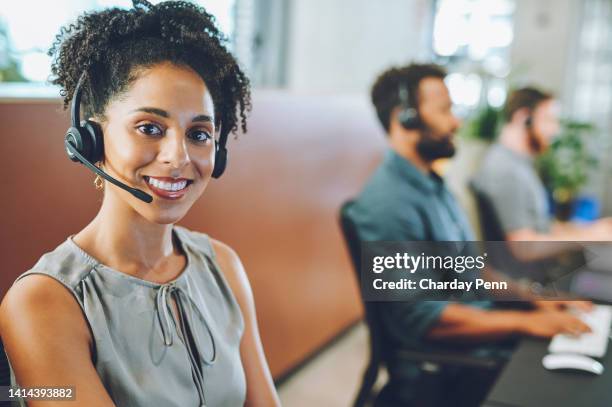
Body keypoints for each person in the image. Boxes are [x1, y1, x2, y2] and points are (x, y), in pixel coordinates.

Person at [0, 1, 280, 406]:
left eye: (199, 134)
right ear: (90, 141)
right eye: (150, 128)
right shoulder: (42, 303)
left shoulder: (223, 266)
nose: (178, 156)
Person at [346, 64, 591, 407]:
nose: (457, 122)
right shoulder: (387, 204)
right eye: (445, 110)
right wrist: (527, 322)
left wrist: (535, 298)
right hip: (451, 365)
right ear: (406, 118)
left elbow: (471, 269)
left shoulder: (432, 187)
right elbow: (427, 320)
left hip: (483, 337)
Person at [472, 87, 612, 242]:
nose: (555, 130)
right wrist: (590, 237)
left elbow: (541, 228)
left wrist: (590, 230)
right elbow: (524, 247)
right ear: (524, 118)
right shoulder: (506, 169)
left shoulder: (519, 164)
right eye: (549, 120)